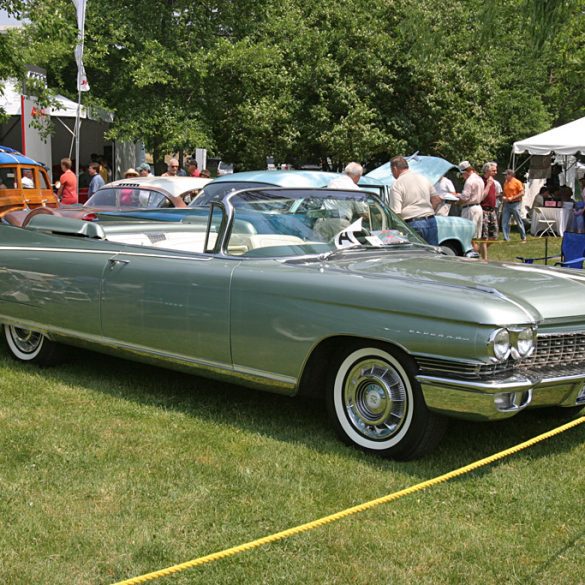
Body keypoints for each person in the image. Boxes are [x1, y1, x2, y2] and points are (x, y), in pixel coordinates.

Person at [389, 156, 441, 245]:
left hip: (413, 223)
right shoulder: (423, 178)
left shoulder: (397, 184)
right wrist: (427, 212)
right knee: (432, 254)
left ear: (395, 168)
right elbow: (436, 199)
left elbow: (396, 213)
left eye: (392, 171)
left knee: (416, 256)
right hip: (431, 220)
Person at [454, 161, 484, 246]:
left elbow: (465, 198)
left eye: (462, 174)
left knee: (468, 236)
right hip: (478, 208)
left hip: (470, 209)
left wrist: (458, 202)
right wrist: (459, 194)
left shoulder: (469, 181)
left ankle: (469, 256)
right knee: (475, 237)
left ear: (465, 172)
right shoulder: (479, 179)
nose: (463, 177)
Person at [477, 162, 499, 259]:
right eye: (493, 170)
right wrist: (488, 184)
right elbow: (481, 196)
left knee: (494, 236)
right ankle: (484, 260)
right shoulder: (482, 181)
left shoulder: (493, 182)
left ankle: (478, 250)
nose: (496, 172)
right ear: (487, 170)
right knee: (484, 237)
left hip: (492, 211)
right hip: (483, 210)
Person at [501, 169, 526, 242]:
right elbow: (505, 193)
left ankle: (523, 237)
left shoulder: (517, 182)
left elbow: (522, 193)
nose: (505, 176)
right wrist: (504, 197)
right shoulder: (505, 183)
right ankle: (506, 238)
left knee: (518, 221)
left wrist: (513, 198)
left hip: (516, 204)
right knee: (504, 221)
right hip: (507, 204)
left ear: (511, 175)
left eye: (506, 175)